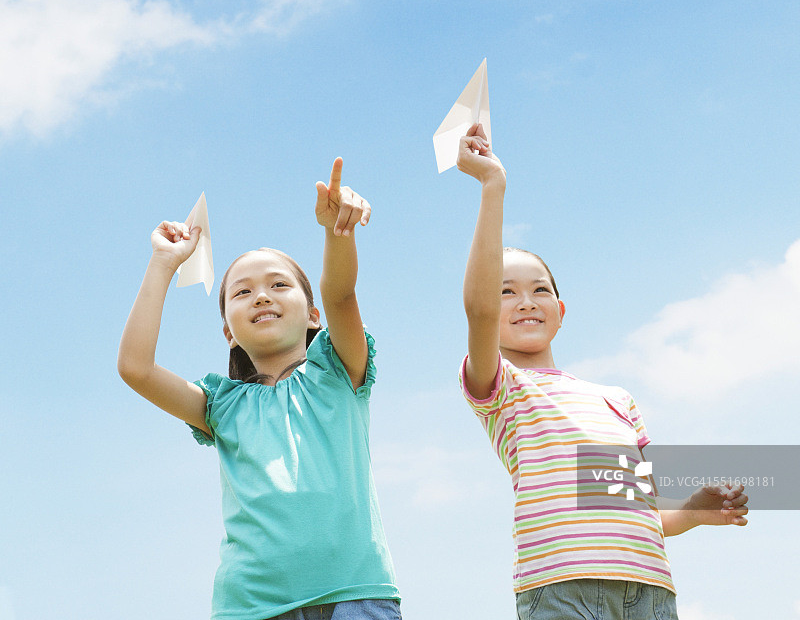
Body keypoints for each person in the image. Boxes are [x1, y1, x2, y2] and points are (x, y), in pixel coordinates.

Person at [456, 123, 748, 620]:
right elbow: (478, 310)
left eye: (539, 290)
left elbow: (645, 507)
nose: (525, 302)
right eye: (506, 291)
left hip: (651, 591)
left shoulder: (616, 399)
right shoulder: (504, 388)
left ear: (561, 310)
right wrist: (492, 186)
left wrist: (696, 511)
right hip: (561, 588)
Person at [117, 158, 401, 620]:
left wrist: (337, 233)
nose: (262, 296)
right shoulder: (221, 406)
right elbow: (135, 367)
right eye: (242, 292)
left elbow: (341, 294)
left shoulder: (338, 370)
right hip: (249, 608)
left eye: (278, 284)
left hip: (355, 594)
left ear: (313, 316)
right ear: (228, 330)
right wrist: (163, 263)